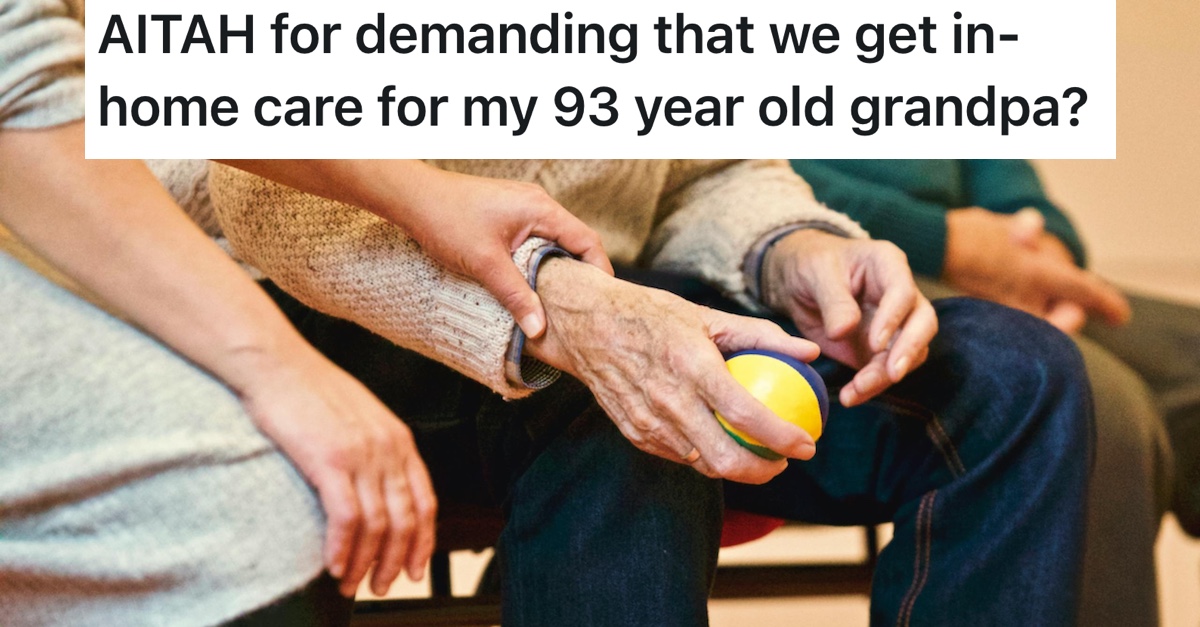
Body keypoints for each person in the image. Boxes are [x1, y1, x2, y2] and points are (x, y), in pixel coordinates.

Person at [210, 158, 1096, 625]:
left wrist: (794, 249)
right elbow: (250, 188)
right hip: (327, 302)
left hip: (619, 286)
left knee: (1017, 379)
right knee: (629, 411)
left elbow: (707, 167)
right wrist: (557, 301)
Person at [0, 1, 609, 624]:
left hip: (497, 282)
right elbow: (58, 94)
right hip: (210, 275)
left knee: (614, 399)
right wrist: (283, 369)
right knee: (264, 516)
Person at [789, 158, 1191, 626]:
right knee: (1078, 393)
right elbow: (718, 170)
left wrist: (1043, 246)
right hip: (814, 257)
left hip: (982, 257)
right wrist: (945, 243)